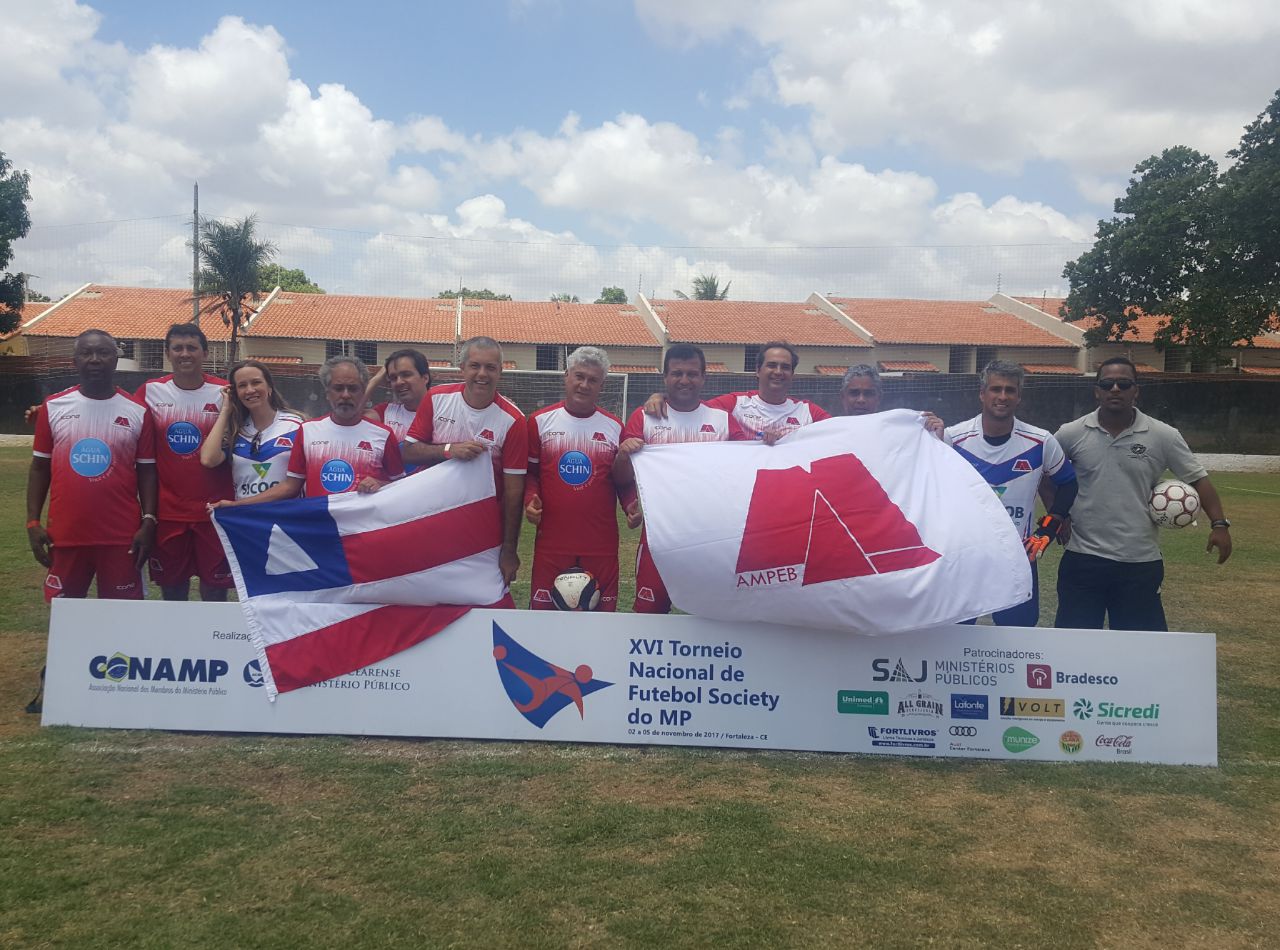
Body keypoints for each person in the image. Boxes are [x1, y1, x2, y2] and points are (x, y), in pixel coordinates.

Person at [25, 329, 158, 711]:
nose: (95, 360)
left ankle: (120, 684)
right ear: (75, 360)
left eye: (103, 353)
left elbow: (147, 471)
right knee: (65, 614)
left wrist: (148, 519)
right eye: (87, 354)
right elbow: (39, 470)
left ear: (116, 359)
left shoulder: (136, 411)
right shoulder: (53, 407)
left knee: (122, 615)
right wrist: (34, 523)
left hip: (121, 537)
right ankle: (56, 684)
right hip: (67, 536)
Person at [1053, 357, 1232, 631]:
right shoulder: (1070, 433)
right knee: (1075, 647)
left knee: (1142, 651)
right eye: (1107, 383)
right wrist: (1058, 514)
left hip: (1139, 562)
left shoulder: (1163, 435)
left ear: (1135, 390)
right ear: (1097, 391)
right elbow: (1047, 474)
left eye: (1123, 384)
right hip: (1082, 558)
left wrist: (1219, 524)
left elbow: (1198, 479)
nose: (1115, 389)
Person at [615, 343, 746, 614]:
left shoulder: (722, 421)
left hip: (709, 541)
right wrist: (624, 456)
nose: (684, 380)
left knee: (710, 621)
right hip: (658, 540)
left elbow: (750, 467)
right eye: (676, 373)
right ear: (665, 378)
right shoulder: (645, 418)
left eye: (692, 373)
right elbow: (621, 478)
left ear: (703, 378)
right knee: (648, 619)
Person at [945, 361, 1077, 627]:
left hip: (1017, 557)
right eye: (995, 389)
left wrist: (1048, 530)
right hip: (967, 556)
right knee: (954, 637)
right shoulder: (953, 439)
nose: (1002, 396)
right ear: (982, 394)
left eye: (1010, 390)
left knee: (1018, 636)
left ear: (1019, 397)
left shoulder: (1041, 441)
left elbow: (1069, 483)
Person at [403, 336, 527, 587]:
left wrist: (509, 549)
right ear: (462, 369)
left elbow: (514, 492)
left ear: (500, 372)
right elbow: (408, 451)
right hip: (434, 520)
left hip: (482, 530)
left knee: (479, 597)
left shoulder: (513, 420)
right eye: (475, 366)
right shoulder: (436, 398)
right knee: (431, 595)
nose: (482, 374)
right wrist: (449, 450)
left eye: (490, 367)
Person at [213, 355, 403, 506]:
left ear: (363, 391)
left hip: (363, 533)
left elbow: (402, 488)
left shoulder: (383, 434)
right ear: (327, 393)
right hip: (318, 535)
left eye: (352, 388)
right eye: (338, 388)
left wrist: (381, 484)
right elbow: (290, 487)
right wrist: (238, 505)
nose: (345, 395)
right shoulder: (308, 431)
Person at [134, 323, 234, 601]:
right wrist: (45, 410)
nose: (185, 354)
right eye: (177, 348)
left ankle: (212, 646)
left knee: (215, 591)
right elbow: (115, 413)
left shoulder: (225, 393)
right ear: (168, 353)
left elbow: (264, 418)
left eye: (192, 347)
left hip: (215, 511)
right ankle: (176, 645)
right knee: (173, 589)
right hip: (169, 513)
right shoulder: (150, 392)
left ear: (205, 352)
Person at [525, 347, 624, 610]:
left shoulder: (615, 427)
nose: (584, 385)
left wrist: (631, 504)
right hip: (553, 544)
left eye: (593, 380)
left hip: (600, 545)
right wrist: (529, 499)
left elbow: (621, 480)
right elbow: (531, 473)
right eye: (579, 376)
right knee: (544, 623)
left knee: (602, 627)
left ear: (602, 384)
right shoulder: (539, 422)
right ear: (566, 376)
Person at [645, 341, 830, 442]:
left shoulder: (808, 412)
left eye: (785, 367)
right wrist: (660, 396)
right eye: (772, 365)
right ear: (758, 370)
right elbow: (689, 407)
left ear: (792, 374)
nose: (778, 372)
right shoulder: (735, 403)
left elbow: (841, 431)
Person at [200, 360, 304, 500]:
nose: (250, 390)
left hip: (286, 518)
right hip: (246, 519)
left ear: (269, 387)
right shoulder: (236, 430)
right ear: (235, 393)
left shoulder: (296, 426)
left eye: (256, 382)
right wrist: (225, 410)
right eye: (242, 385)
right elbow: (208, 459)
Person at [365, 348, 432, 473]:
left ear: (425, 378)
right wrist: (377, 378)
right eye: (393, 378)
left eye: (406, 375)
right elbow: (351, 414)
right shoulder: (385, 413)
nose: (399, 382)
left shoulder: (445, 413)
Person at [840, 363, 944, 437]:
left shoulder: (897, 434)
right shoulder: (829, 434)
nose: (861, 400)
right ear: (843, 397)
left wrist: (934, 440)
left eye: (868, 394)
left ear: (879, 398)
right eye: (854, 393)